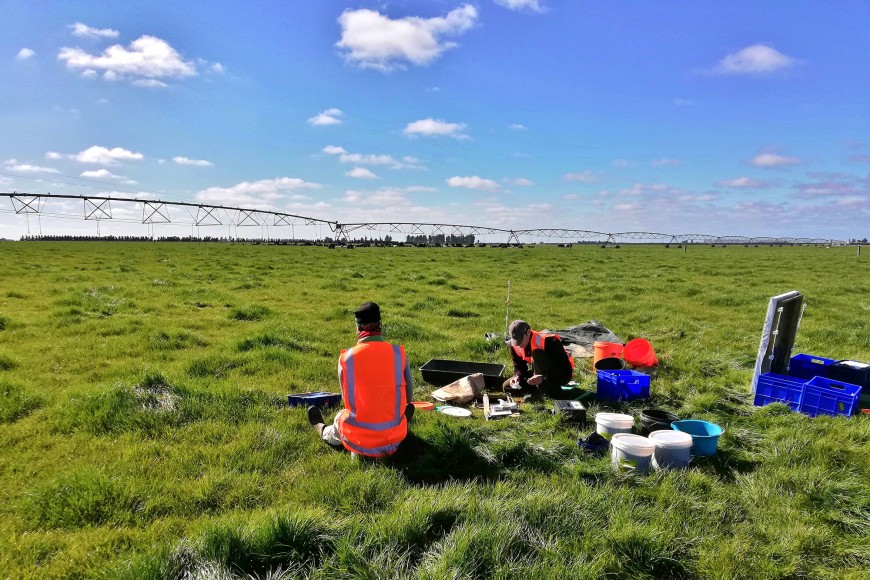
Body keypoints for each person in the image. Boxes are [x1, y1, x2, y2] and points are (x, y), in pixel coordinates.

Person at [308, 302, 414, 457]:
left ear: (357, 328)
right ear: (381, 325)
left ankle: (321, 428)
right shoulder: (398, 354)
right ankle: (400, 422)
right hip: (394, 439)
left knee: (340, 417)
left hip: (358, 439)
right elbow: (409, 399)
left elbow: (347, 400)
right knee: (398, 411)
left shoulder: (346, 358)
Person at [503, 319, 575, 398]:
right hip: (538, 373)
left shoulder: (549, 341)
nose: (518, 344)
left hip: (560, 374)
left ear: (528, 332)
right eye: (515, 341)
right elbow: (518, 365)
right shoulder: (514, 345)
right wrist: (517, 376)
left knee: (537, 353)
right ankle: (537, 389)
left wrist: (543, 378)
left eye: (520, 340)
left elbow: (564, 370)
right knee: (506, 386)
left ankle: (545, 391)